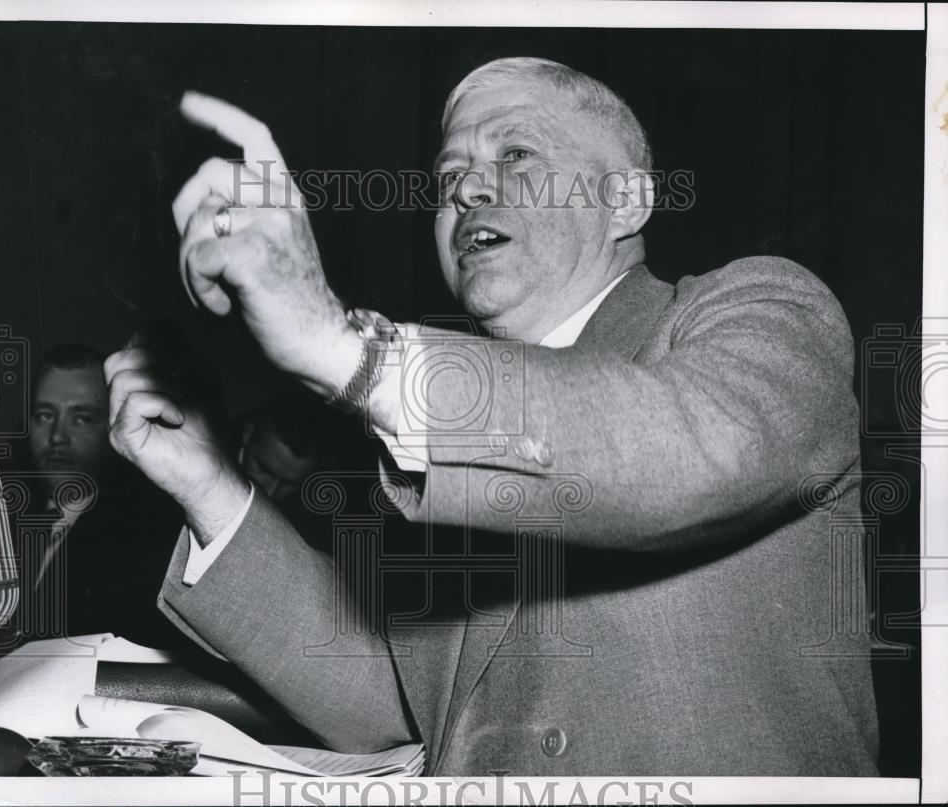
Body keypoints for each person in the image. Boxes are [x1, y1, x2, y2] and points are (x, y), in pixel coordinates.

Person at [106, 57, 879, 775]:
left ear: (625, 200)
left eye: (516, 155)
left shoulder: (765, 310)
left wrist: (345, 348)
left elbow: (693, 445)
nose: (468, 190)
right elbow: (397, 707)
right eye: (450, 175)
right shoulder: (425, 438)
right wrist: (212, 486)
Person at [0, 343, 186, 652]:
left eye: (81, 418)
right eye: (45, 415)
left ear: (114, 425)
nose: (57, 436)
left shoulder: (142, 538)